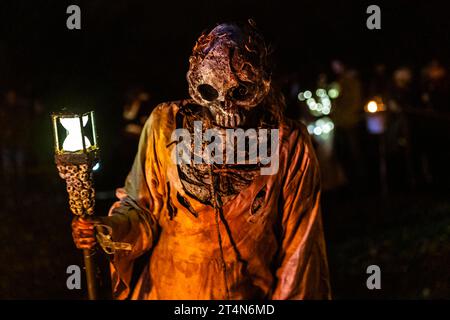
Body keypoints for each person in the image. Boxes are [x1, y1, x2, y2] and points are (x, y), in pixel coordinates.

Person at [72, 21, 331, 300]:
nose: (226, 107)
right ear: (196, 84)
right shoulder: (166, 125)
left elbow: (300, 249)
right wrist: (111, 229)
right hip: (169, 290)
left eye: (240, 91)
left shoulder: (287, 142)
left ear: (262, 83)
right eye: (211, 91)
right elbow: (142, 207)